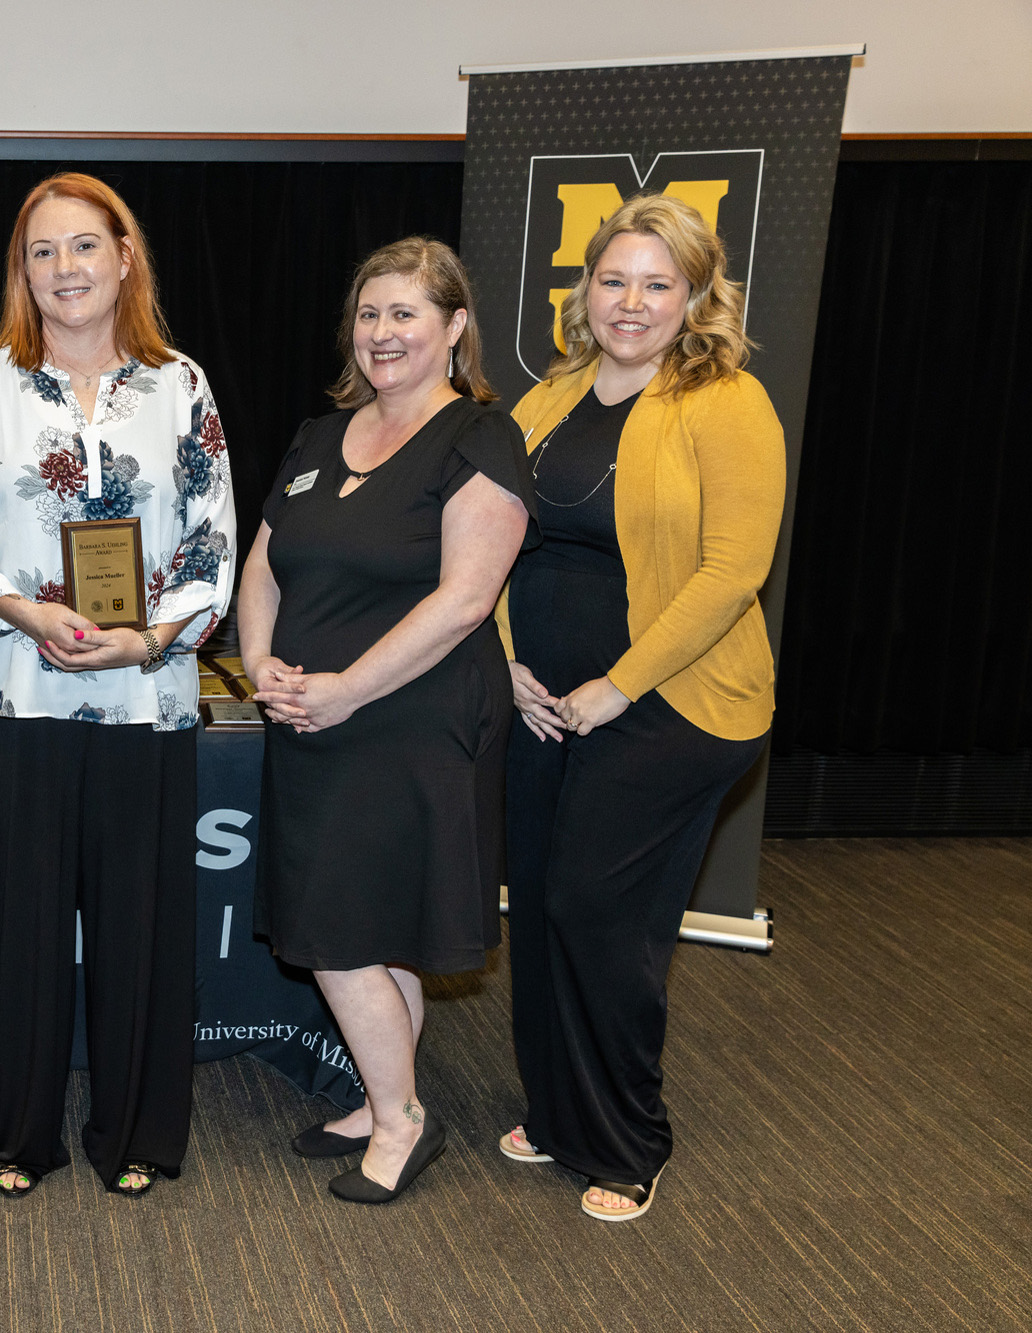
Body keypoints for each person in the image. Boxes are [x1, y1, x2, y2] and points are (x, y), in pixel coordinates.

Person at [0, 172, 235, 1198]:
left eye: (84, 246)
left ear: (124, 257)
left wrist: (147, 641)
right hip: (18, 695)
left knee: (141, 927)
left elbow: (212, 543)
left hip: (148, 700)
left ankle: (136, 1131)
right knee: (23, 929)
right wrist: (28, 613)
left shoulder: (179, 384)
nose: (64, 268)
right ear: (23, 270)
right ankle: (21, 1134)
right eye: (42, 251)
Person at [496, 193, 784, 1222]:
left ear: (695, 296)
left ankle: (626, 1139)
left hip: (671, 705)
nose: (630, 301)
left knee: (596, 908)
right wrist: (506, 662)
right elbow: (488, 537)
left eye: (657, 284)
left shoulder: (726, 401)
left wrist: (617, 686)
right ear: (583, 289)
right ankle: (555, 1109)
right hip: (545, 703)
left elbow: (730, 572)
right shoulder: (548, 398)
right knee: (539, 901)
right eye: (612, 279)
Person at [241, 237, 535, 1204]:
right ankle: (383, 1099)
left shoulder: (480, 438)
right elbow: (263, 565)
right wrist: (259, 662)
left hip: (413, 719)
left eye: (405, 313)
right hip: (313, 718)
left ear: (454, 327)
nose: (382, 332)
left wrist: (347, 689)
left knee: (336, 929)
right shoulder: (319, 436)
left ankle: (402, 1122)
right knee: (379, 924)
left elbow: (464, 600)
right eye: (369, 314)